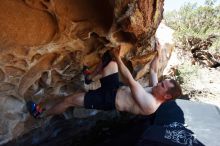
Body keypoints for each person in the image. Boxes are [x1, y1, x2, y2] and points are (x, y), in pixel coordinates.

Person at [27, 41, 182, 118]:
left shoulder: (150, 104)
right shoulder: (156, 90)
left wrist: (119, 58)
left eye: (162, 85)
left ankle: (40, 115)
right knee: (109, 59)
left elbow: (130, 80)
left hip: (106, 100)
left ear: (166, 95)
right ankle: (89, 77)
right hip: (115, 87)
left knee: (69, 100)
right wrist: (158, 53)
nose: (158, 83)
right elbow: (154, 70)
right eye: (161, 82)